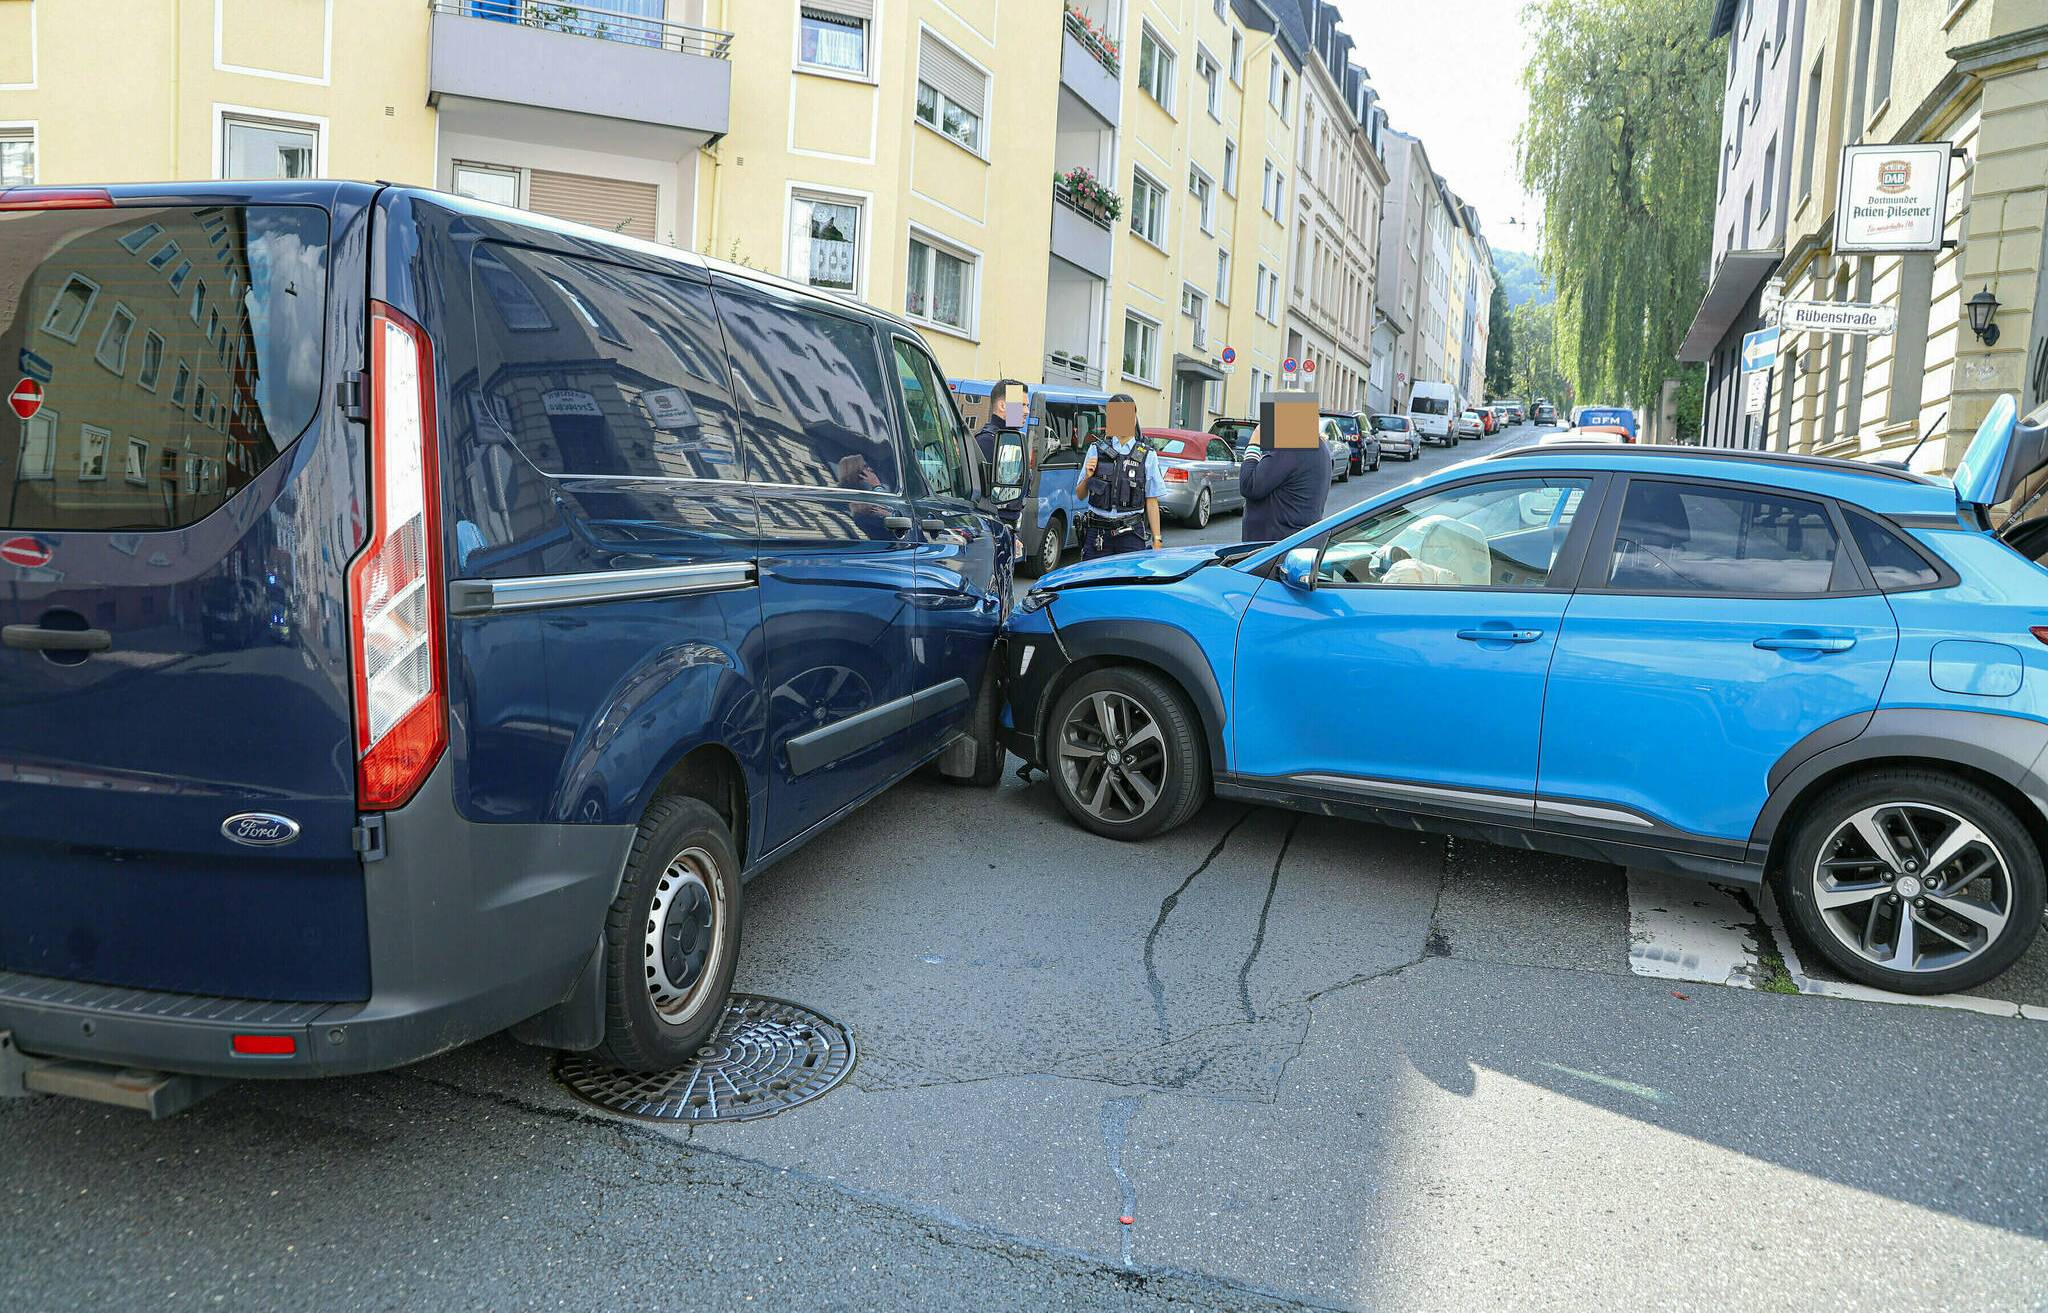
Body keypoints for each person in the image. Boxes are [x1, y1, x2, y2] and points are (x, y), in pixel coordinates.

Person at [1074, 393, 1165, 559]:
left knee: (1130, 576)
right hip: (1098, 533)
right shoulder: (1096, 449)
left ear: (1134, 418)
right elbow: (1080, 495)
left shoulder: (1147, 455)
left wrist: (1157, 539)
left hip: (1131, 534)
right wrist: (1088, 477)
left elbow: (1152, 501)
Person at [1239, 410, 1332, 543]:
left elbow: (1250, 485)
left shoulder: (1293, 446)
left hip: (1275, 545)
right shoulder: (1319, 446)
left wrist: (1254, 444)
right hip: (1297, 540)